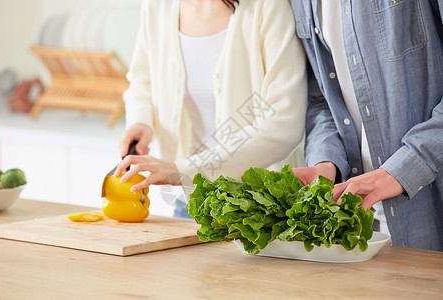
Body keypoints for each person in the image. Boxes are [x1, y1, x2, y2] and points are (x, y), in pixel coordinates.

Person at [114, 0, 307, 216]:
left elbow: (284, 123)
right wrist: (141, 121)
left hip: (262, 207)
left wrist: (182, 170)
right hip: (192, 201)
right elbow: (143, 82)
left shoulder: (268, 6)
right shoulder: (158, 6)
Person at [289, 0, 443, 251]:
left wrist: (404, 168)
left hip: (429, 222)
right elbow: (322, 100)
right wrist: (326, 163)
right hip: (363, 235)